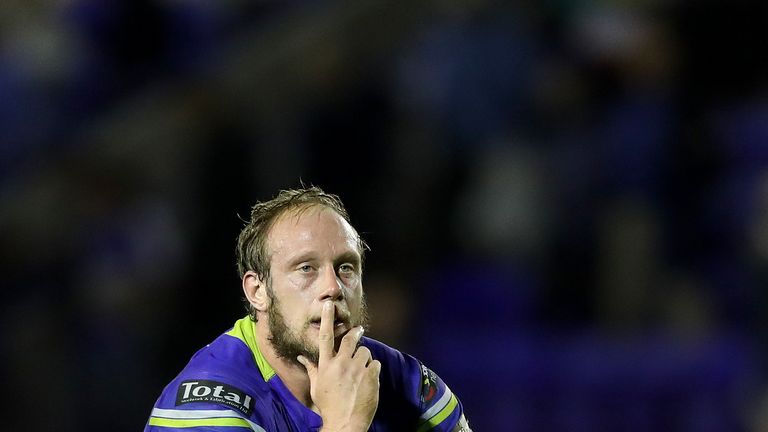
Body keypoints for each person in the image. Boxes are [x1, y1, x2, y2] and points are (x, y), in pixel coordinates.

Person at [144, 186, 472, 431]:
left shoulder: (406, 382)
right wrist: (344, 426)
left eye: (346, 267)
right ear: (258, 291)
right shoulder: (207, 406)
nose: (332, 288)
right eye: (306, 268)